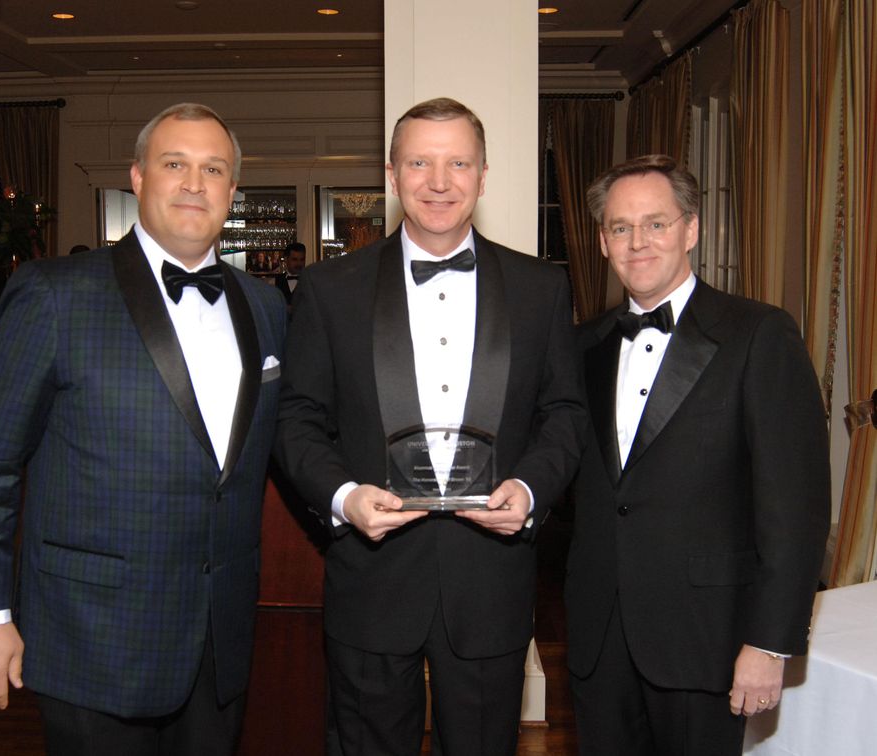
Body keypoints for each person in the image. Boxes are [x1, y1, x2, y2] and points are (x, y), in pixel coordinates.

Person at [0, 102, 286, 755]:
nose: (195, 183)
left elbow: (282, 444)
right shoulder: (54, 295)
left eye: (213, 169)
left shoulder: (265, 305)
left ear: (232, 192)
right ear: (137, 178)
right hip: (93, 637)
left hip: (220, 639)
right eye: (175, 164)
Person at [274, 97, 585, 756]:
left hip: (491, 581)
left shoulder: (541, 289)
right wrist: (342, 497)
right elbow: (297, 420)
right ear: (392, 174)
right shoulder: (330, 289)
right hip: (371, 576)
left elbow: (564, 415)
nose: (439, 182)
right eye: (419, 162)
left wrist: (529, 491)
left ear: (483, 172)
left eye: (457, 163)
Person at [565, 154, 830, 755]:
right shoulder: (583, 345)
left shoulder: (759, 334)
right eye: (620, 227)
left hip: (708, 638)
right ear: (603, 242)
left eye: (655, 224)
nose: (638, 242)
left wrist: (768, 642)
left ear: (691, 229)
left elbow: (796, 506)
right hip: (599, 638)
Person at [274, 241, 306, 306]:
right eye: (294, 259)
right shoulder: (276, 282)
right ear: (286, 259)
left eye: (302, 260)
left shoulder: (309, 282)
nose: (299, 263)